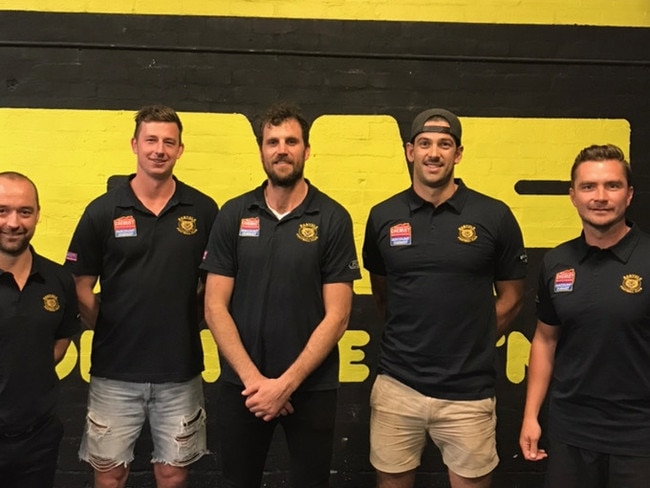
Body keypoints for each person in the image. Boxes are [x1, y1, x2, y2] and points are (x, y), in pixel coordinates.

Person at [362, 108, 527, 488]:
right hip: (397, 388)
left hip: (468, 394)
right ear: (409, 151)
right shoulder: (383, 216)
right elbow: (383, 293)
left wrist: (478, 339)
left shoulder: (493, 215)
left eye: (444, 144)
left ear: (458, 153)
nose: (433, 153)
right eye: (424, 143)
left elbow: (514, 296)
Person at [201, 102, 361, 487]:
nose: (281, 149)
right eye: (272, 142)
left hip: (311, 387)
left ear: (306, 151)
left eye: (291, 141)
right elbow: (214, 306)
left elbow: (337, 316)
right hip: (244, 387)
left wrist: (285, 385)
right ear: (261, 150)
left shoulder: (333, 218)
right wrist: (257, 382)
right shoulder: (234, 213)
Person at [64, 105, 218, 488]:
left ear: (181, 149)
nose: (159, 149)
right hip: (114, 372)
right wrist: (111, 326)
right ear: (135, 144)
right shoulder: (102, 211)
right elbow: (79, 284)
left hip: (179, 372)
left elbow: (215, 286)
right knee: (110, 476)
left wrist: (185, 321)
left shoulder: (203, 210)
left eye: (169, 142)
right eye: (151, 140)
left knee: (172, 474)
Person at [519, 144, 650, 487]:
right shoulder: (556, 263)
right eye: (588, 186)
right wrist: (531, 416)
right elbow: (545, 340)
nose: (600, 196)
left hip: (639, 435)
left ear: (629, 194)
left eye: (613, 185)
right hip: (571, 433)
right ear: (573, 196)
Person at [0, 171, 80, 488]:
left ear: (37, 215)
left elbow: (61, 338)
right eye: (2, 210)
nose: (13, 223)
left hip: (37, 439)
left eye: (24, 211)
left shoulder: (58, 280)